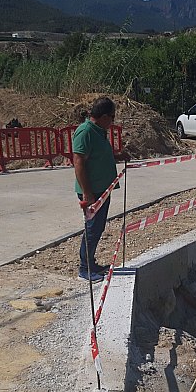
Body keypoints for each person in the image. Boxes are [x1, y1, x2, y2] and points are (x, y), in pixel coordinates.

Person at [72, 97, 119, 283]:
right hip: (92, 192)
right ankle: (84, 269)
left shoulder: (98, 131)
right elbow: (79, 162)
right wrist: (87, 192)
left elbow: (99, 155)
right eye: (112, 118)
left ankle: (91, 263)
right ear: (104, 116)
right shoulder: (85, 132)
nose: (113, 122)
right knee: (92, 229)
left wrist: (117, 155)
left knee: (98, 228)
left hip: (102, 190)